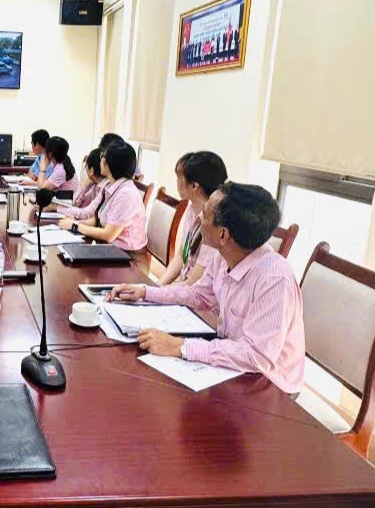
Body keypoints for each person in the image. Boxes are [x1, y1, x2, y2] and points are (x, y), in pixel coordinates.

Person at [107, 182, 305, 395]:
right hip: (231, 360)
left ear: (223, 234)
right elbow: (199, 294)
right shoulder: (225, 255)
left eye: (205, 213)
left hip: (270, 385)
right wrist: (146, 293)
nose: (200, 217)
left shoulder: (275, 278)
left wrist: (179, 346)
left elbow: (257, 356)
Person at [58, 141, 147, 251]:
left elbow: (108, 235)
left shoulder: (126, 194)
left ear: (110, 163)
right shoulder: (111, 185)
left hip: (127, 254)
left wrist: (75, 226)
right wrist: (74, 223)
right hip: (110, 247)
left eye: (102, 156)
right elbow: (98, 220)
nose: (100, 159)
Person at [157, 151, 228, 286]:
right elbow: (181, 256)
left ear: (194, 186)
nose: (177, 182)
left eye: (179, 178)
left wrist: (155, 292)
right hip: (183, 286)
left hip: (196, 293)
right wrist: (157, 286)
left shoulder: (215, 223)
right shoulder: (192, 210)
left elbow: (194, 283)